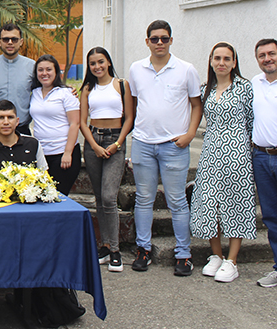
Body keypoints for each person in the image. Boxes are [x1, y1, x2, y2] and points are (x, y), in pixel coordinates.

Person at [128, 20, 202, 276]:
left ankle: (184, 254)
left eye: (164, 38)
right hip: (144, 144)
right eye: (155, 38)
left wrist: (190, 134)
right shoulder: (136, 69)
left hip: (174, 145)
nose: (160, 42)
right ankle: (143, 249)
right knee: (144, 200)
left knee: (178, 202)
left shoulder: (186, 69)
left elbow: (196, 104)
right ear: (147, 41)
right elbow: (135, 104)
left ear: (171, 40)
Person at [0, 99, 47, 313]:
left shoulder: (33, 144)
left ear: (17, 120)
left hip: (29, 212)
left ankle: (33, 292)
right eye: (1, 118)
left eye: (10, 117)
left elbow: (44, 178)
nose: (6, 122)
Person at [189, 42, 255, 283]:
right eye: (217, 58)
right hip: (210, 153)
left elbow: (251, 120)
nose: (222, 62)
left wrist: (243, 148)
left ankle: (232, 260)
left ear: (234, 63)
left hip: (237, 154)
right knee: (208, 204)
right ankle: (216, 255)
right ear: (210, 61)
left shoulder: (244, 87)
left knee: (235, 203)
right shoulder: (206, 88)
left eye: (227, 58)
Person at [79, 47, 134, 273]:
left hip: (115, 141)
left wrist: (117, 144)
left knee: (110, 197)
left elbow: (129, 117)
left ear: (108, 63)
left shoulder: (122, 85)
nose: (97, 67)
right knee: (100, 198)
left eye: (101, 62)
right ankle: (103, 246)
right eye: (93, 63)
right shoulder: (87, 88)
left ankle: (115, 250)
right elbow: (83, 121)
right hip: (93, 143)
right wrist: (94, 145)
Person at [250, 38, 277, 288]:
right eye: (262, 55)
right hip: (262, 158)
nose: (267, 59)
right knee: (273, 218)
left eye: (272, 54)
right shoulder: (254, 83)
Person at [29, 54, 81, 196]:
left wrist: (68, 153)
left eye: (48, 69)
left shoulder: (66, 93)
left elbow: (75, 124)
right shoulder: (34, 93)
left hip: (63, 154)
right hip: (42, 154)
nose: (44, 73)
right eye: (40, 70)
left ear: (56, 72)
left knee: (59, 197)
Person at [0, 22, 35, 135]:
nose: (10, 42)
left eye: (14, 39)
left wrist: (66, 90)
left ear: (21, 42)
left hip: (22, 129)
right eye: (6, 39)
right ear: (0, 42)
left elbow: (45, 89)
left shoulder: (32, 66)